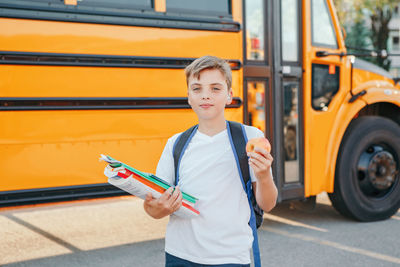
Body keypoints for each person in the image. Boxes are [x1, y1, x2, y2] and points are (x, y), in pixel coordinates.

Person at [144, 55, 278, 266]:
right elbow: (152, 208)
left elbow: (267, 204)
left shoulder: (250, 137)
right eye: (197, 89)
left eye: (215, 88)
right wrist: (161, 207)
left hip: (230, 257)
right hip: (180, 256)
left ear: (229, 95)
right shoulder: (176, 144)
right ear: (189, 96)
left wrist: (263, 176)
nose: (206, 95)